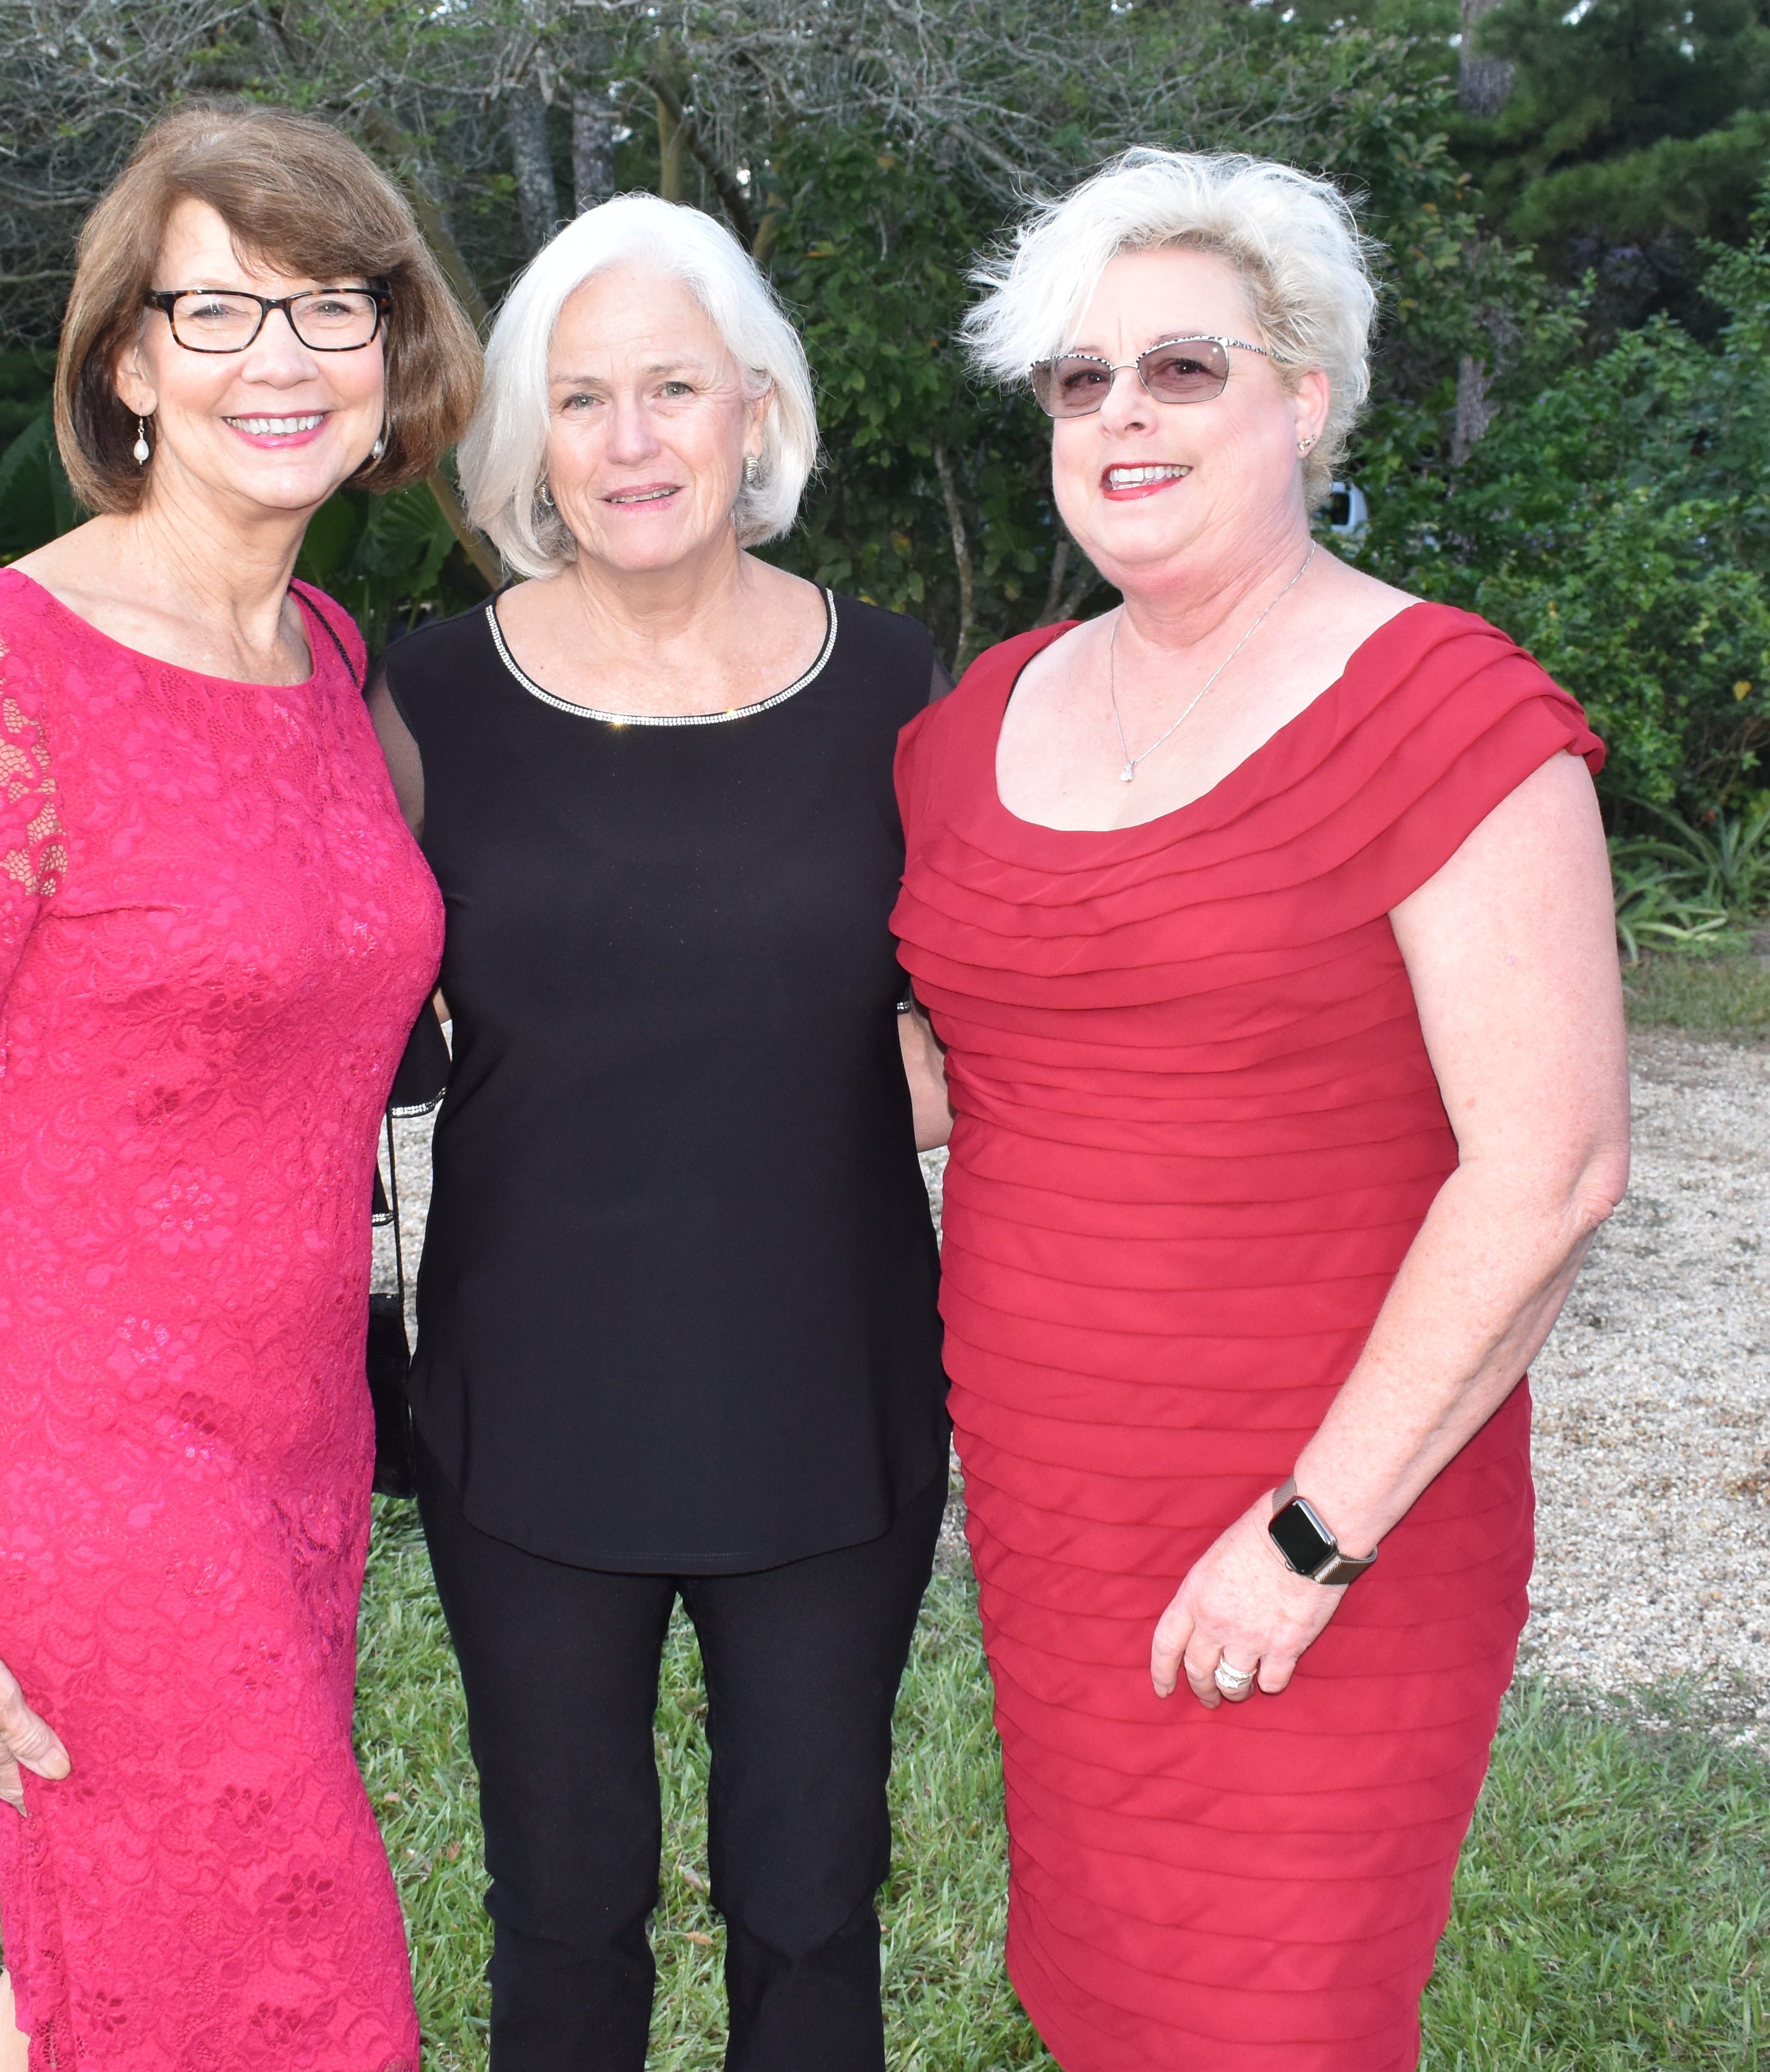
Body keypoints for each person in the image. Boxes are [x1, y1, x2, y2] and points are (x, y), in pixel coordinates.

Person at [890, 147, 1630, 2072]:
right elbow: (959, 1068)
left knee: (1278, 2012)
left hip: (1332, 1512)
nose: (1121, 413)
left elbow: (1548, 1167)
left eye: (1181, 368)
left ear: (1304, 397)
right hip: (1058, 1512)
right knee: (1111, 1996)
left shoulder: (1447, 712)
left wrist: (1308, 1536)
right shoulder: (973, 727)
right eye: (1081, 379)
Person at [0, 105, 478, 2071]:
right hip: (87, 1465)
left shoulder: (327, 656)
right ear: (128, 366)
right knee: (288, 1980)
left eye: (330, 307)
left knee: (107, 1961)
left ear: (393, 351)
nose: (282, 358)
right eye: (217, 311)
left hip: (293, 1441)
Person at [364, 194, 953, 2072]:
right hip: (528, 1407)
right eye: (581, 396)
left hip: (830, 1399)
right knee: (559, 1903)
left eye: (673, 388)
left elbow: (988, 1022)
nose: (630, 440)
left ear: (755, 408)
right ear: (528, 440)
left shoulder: (900, 687)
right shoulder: (420, 697)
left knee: (811, 1901)